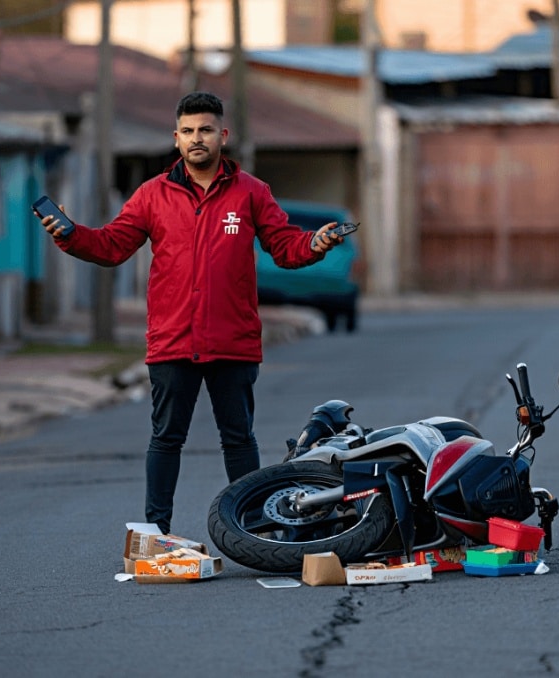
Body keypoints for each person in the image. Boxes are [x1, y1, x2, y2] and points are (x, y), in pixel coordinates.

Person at [36, 91, 345, 535]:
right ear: (176, 138)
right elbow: (111, 245)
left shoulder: (252, 193)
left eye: (204, 130)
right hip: (172, 340)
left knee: (238, 440)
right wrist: (70, 235)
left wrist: (314, 244)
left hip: (232, 341)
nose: (196, 139)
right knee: (166, 439)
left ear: (223, 135)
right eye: (187, 131)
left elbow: (285, 246)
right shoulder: (151, 196)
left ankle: (254, 530)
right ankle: (155, 533)